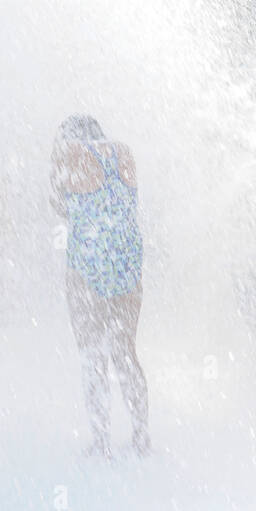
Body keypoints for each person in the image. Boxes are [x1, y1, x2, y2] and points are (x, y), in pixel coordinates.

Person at [49, 114, 148, 458]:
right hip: (126, 262)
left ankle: (101, 442)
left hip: (88, 264)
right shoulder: (123, 152)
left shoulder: (67, 153)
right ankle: (140, 435)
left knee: (92, 354)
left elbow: (61, 205)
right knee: (125, 352)